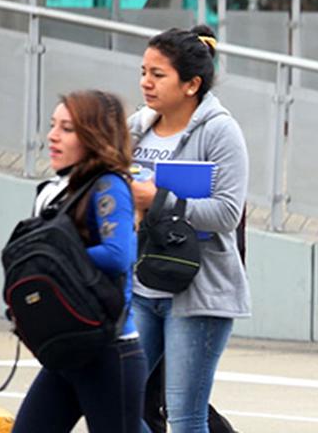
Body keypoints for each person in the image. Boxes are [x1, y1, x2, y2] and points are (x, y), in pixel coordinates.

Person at [130, 26, 250, 433]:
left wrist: (157, 200)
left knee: (184, 419)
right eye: (144, 71)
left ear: (191, 84)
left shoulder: (220, 131)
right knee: (118, 403)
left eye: (158, 74)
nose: (146, 82)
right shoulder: (136, 128)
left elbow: (228, 213)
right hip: (142, 288)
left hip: (197, 295)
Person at [13, 90, 146, 432]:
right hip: (66, 348)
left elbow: (119, 255)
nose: (52, 136)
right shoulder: (53, 190)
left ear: (93, 136)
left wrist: (53, 266)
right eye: (53, 125)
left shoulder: (108, 185)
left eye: (67, 128)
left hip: (108, 351)